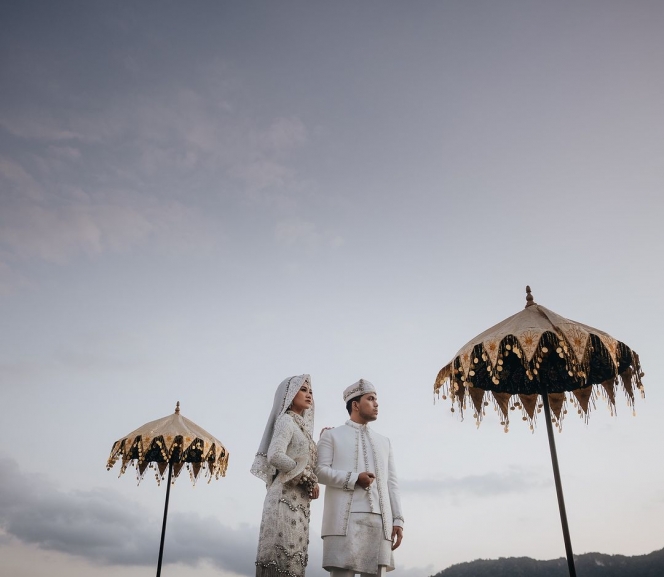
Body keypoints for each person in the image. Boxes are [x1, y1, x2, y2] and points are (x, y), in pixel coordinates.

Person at [316, 378, 404, 577]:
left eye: (376, 399)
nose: (376, 404)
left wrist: (397, 520)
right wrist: (354, 478)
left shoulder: (384, 442)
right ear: (355, 405)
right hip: (343, 520)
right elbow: (319, 472)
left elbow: (392, 484)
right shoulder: (332, 436)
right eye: (370, 399)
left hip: (381, 521)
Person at [251, 374, 320, 577]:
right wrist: (307, 478)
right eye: (303, 389)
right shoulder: (286, 421)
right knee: (280, 560)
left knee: (294, 563)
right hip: (283, 499)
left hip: (298, 502)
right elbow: (275, 455)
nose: (309, 395)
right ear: (290, 394)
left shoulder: (302, 429)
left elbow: (305, 460)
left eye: (311, 391)